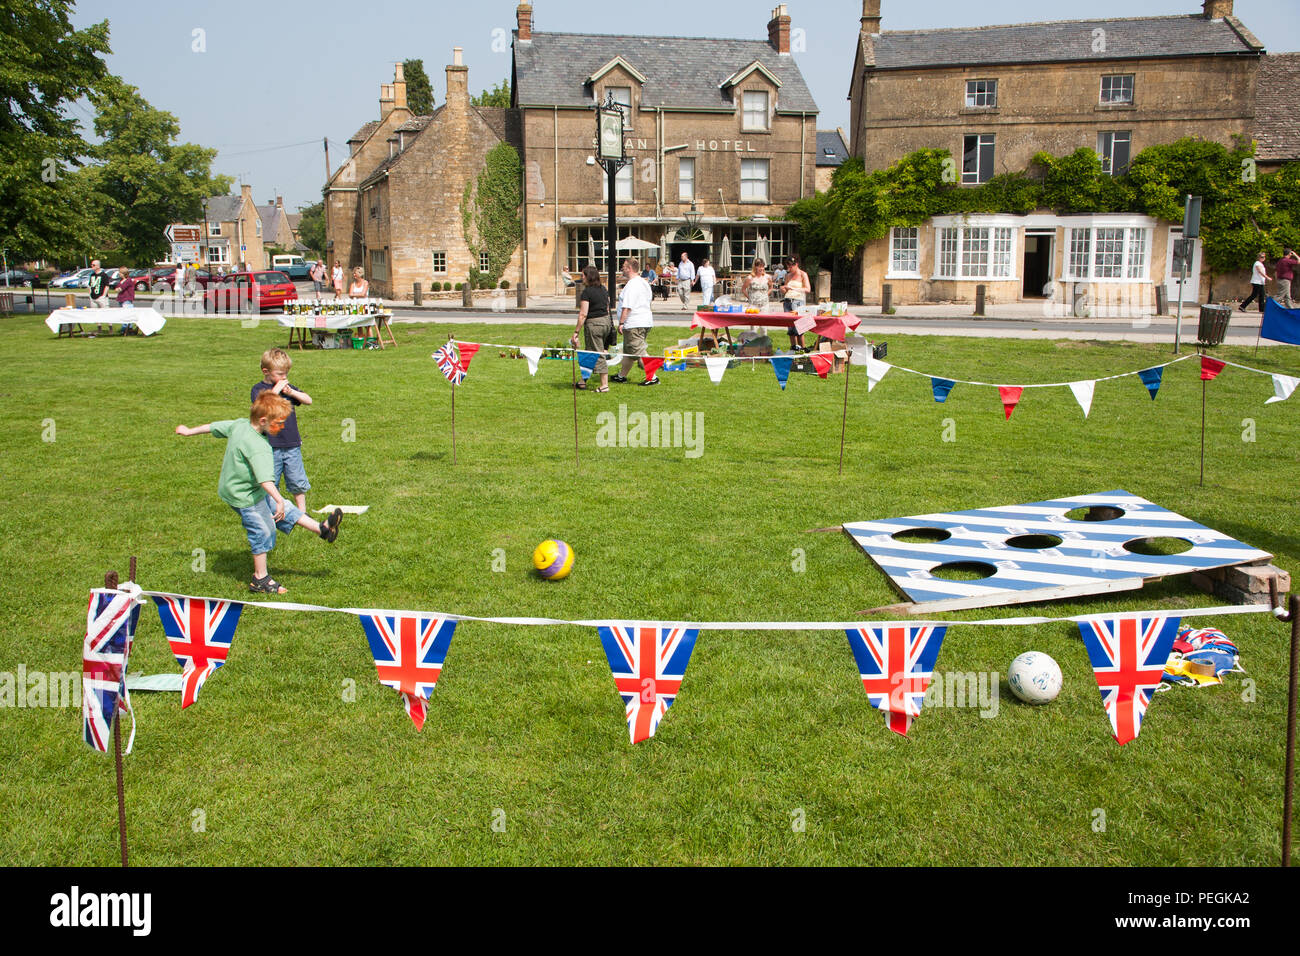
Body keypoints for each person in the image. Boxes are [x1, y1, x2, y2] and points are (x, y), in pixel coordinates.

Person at [174, 391, 342, 595]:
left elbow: (214, 426)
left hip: (247, 488)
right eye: (279, 423)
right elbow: (265, 480)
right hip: (243, 495)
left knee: (287, 509)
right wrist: (278, 499)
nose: (282, 427)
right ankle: (259, 579)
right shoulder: (259, 446)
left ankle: (322, 529)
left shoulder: (240, 424)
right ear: (263, 420)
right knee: (263, 529)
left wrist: (188, 431)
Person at [250, 348, 313, 514]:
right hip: (270, 445)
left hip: (291, 443)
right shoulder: (259, 390)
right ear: (266, 371)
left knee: (296, 479)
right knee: (271, 480)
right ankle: (271, 510)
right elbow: (259, 407)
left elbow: (308, 400)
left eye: (286, 373)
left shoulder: (287, 388)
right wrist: (276, 391)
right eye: (280, 374)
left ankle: (302, 511)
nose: (284, 378)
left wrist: (292, 392)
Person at [613, 257, 658, 386]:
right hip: (644, 321)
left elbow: (627, 306)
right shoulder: (643, 283)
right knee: (629, 351)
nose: (622, 268)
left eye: (624, 266)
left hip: (634, 323)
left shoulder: (632, 284)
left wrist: (621, 323)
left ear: (630, 268)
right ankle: (622, 376)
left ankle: (653, 377)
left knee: (638, 351)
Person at [571, 265, 613, 393]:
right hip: (606, 323)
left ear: (588, 277)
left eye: (583, 275)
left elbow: (583, 314)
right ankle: (583, 381)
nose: (581, 278)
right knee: (590, 352)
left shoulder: (587, 292)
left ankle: (604, 385)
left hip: (594, 325)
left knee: (597, 353)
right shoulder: (603, 289)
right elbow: (607, 307)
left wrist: (576, 332)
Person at [782, 255, 812, 350]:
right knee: (790, 325)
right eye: (788, 266)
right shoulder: (788, 275)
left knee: (800, 326)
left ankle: (803, 348)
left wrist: (794, 288)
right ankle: (793, 347)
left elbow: (807, 289)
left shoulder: (803, 274)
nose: (789, 268)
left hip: (798, 301)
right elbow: (786, 289)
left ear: (796, 265)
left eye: (791, 266)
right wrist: (783, 289)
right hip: (788, 301)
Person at [115, 267, 136, 334]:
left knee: (128, 314)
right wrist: (118, 289)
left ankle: (127, 328)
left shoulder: (128, 281)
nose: (119, 273)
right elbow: (116, 288)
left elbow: (120, 289)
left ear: (124, 273)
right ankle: (125, 328)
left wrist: (118, 289)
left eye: (120, 272)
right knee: (123, 314)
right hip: (121, 299)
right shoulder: (121, 281)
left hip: (127, 299)